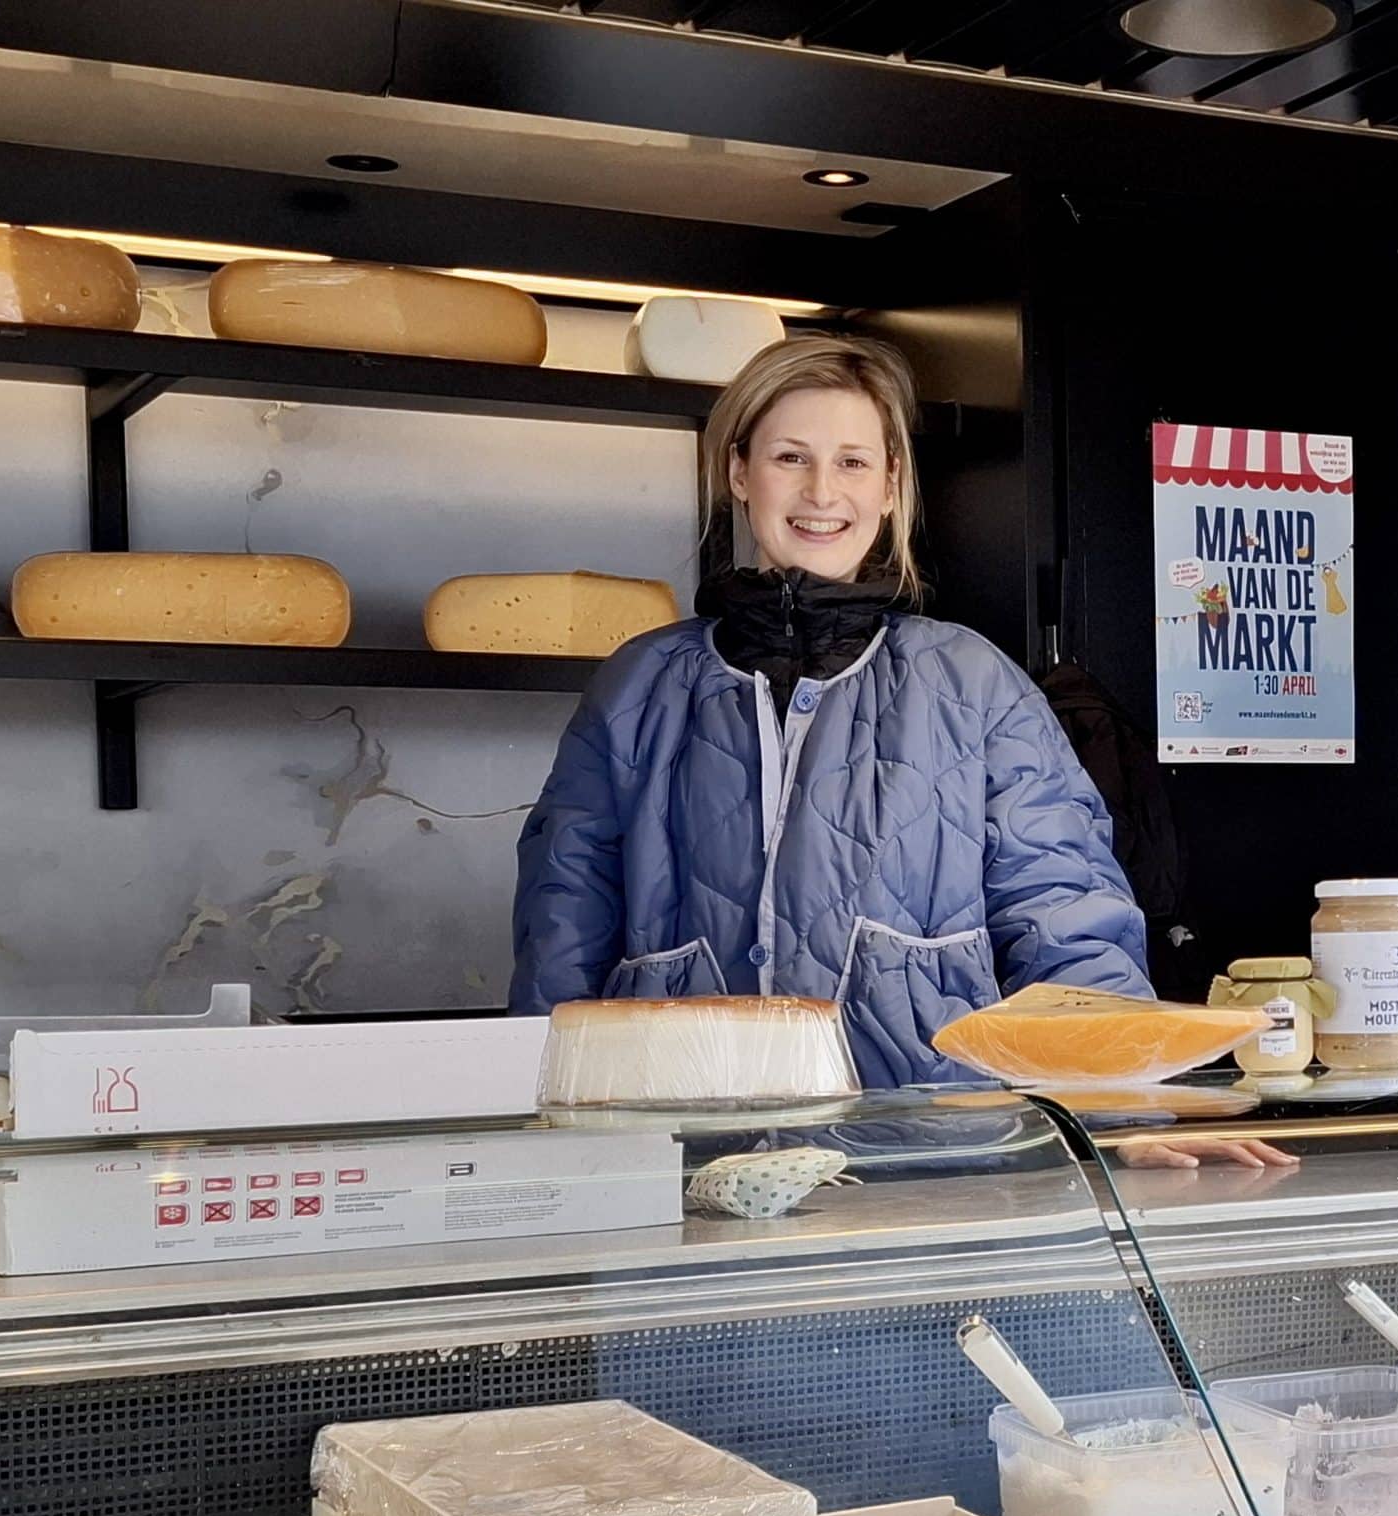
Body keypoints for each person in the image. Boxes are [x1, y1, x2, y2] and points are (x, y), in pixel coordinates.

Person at [508, 334, 1292, 1169]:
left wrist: (1126, 1112)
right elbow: (564, 915)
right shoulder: (641, 683)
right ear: (740, 473)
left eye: (852, 463)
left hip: (933, 1152)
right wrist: (545, 1134)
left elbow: (1063, 911)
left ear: (890, 486)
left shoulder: (969, 680)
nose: (820, 491)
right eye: (790, 457)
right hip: (682, 1156)